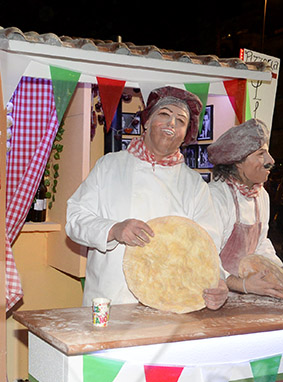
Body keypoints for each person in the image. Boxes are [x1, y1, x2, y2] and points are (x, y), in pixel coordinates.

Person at [65, 86, 227, 309]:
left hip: (169, 303)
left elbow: (208, 244)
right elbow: (75, 219)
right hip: (110, 298)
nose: (172, 124)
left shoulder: (194, 185)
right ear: (147, 121)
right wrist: (114, 229)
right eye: (164, 115)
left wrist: (217, 281)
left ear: (185, 135)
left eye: (181, 121)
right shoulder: (110, 166)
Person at [206, 118, 283, 299]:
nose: (271, 161)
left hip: (250, 292)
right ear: (238, 161)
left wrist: (282, 274)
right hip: (217, 294)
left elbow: (260, 244)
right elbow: (206, 258)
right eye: (261, 154)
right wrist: (241, 285)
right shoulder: (215, 196)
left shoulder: (261, 196)